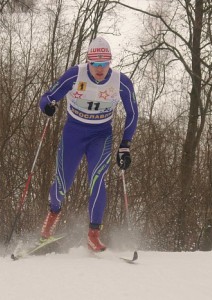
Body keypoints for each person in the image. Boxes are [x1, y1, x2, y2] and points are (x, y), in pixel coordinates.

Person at [38, 36, 138, 252]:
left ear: (110, 63)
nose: (100, 69)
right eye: (96, 64)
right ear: (88, 62)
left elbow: (132, 113)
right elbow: (47, 97)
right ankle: (53, 213)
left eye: (104, 64)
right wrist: (48, 106)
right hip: (73, 132)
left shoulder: (121, 82)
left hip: (101, 135)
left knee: (98, 178)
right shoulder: (76, 74)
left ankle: (93, 234)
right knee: (62, 182)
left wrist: (125, 145)